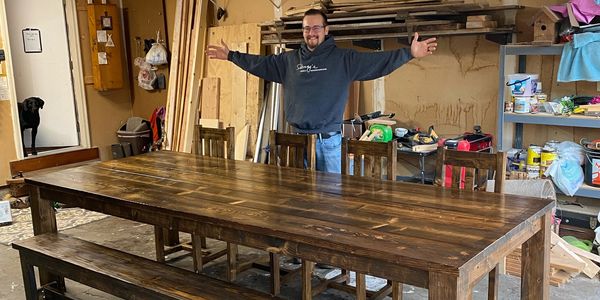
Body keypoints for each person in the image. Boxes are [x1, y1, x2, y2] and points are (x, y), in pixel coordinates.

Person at [206, 9, 437, 173]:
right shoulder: (289, 61)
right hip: (296, 142)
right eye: (306, 28)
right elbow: (260, 64)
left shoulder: (343, 59)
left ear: (326, 29)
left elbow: (377, 62)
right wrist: (231, 56)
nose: (311, 32)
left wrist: (408, 53)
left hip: (330, 144)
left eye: (316, 27)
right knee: (298, 200)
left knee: (330, 205)